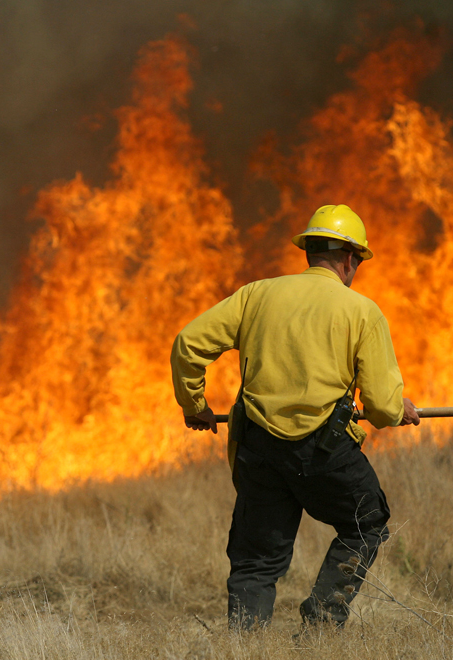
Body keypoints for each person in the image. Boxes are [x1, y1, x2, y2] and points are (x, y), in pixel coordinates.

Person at [170, 204, 420, 630]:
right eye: (357, 260)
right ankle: (322, 624)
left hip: (259, 449)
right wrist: (400, 409)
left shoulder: (256, 295)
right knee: (367, 520)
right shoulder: (361, 312)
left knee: (256, 560)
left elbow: (188, 344)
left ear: (308, 251)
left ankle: (244, 648)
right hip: (324, 452)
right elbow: (379, 405)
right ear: (348, 259)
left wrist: (195, 406)